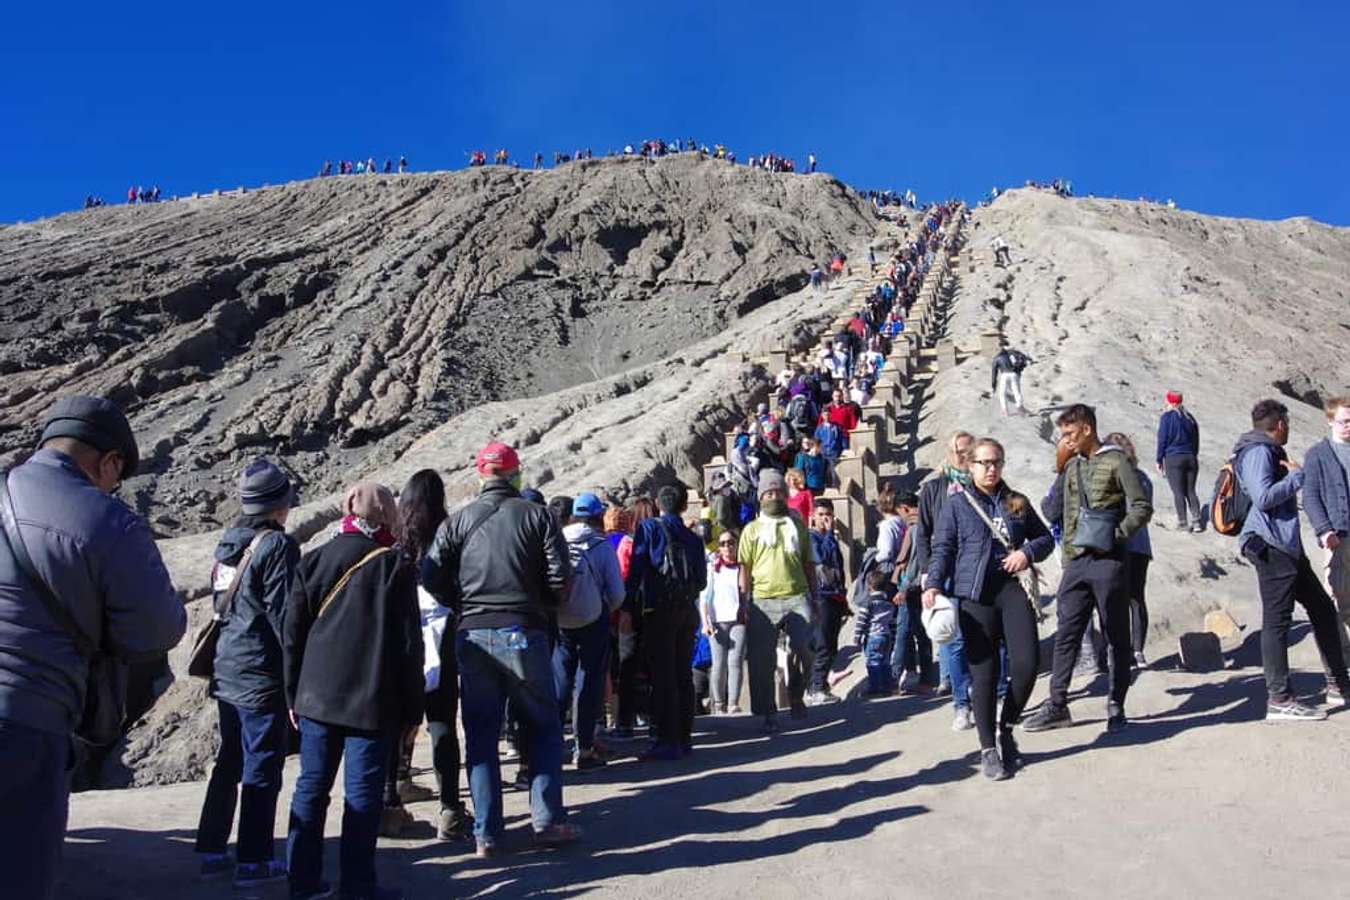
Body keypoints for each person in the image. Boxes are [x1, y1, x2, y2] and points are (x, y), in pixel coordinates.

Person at [0, 396, 186, 900]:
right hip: (26, 722)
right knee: (19, 872)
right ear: (108, 463)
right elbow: (158, 630)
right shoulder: (107, 521)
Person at [421, 442, 578, 855]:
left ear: (481, 475)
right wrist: (540, 606)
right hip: (525, 631)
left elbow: (430, 575)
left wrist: (462, 603)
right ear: (515, 475)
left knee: (480, 735)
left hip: (473, 635)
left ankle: (487, 833)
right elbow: (561, 578)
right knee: (543, 728)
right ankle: (547, 822)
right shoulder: (538, 516)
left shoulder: (458, 521)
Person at [283, 482, 424, 900]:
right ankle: (358, 887)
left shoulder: (314, 560)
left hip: (315, 698)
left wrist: (292, 694)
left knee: (311, 789)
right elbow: (408, 646)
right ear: (386, 518)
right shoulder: (394, 566)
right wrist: (413, 710)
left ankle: (302, 882)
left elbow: (292, 635)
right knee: (361, 798)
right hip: (372, 702)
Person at [195, 458, 300, 886]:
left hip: (228, 667)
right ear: (279, 504)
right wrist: (297, 674)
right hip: (260, 672)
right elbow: (284, 616)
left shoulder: (230, 542)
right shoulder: (276, 546)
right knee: (262, 765)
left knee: (229, 761)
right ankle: (254, 860)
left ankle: (212, 847)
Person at [925, 438, 1053, 779]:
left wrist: (1027, 553)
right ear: (970, 465)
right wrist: (933, 583)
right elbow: (943, 547)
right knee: (984, 674)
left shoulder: (1016, 502)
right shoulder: (956, 505)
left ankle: (1006, 726)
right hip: (974, 595)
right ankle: (988, 749)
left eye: (996, 461)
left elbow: (1045, 538)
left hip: (1012, 590)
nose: (991, 468)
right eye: (983, 462)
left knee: (1027, 663)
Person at [1023, 404, 1152, 734]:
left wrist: (1117, 535)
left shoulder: (1116, 461)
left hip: (1109, 561)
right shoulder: (1071, 467)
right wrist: (1060, 466)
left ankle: (1116, 705)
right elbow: (1051, 511)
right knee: (1067, 633)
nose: (1065, 439)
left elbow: (1141, 506)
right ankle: (1057, 705)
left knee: (1116, 635)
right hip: (1076, 563)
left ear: (1086, 430)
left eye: (1069, 433)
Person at [1232, 400, 1350, 719]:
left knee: (1323, 610)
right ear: (1280, 424)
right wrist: (1297, 477)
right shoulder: (1258, 452)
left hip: (1286, 548)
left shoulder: (1265, 450)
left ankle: (1338, 685)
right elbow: (1264, 496)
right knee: (1277, 621)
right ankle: (1280, 700)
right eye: (1288, 423)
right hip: (1270, 545)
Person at [396, 469, 470, 841]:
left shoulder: (397, 538)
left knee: (400, 719)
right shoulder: (449, 533)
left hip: (405, 638)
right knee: (442, 721)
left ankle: (397, 786)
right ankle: (451, 808)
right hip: (443, 635)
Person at [626, 485, 707, 760]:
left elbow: (637, 571)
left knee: (661, 677)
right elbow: (702, 581)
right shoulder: (693, 538)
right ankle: (684, 738)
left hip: (658, 610)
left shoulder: (649, 528)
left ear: (659, 504)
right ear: (684, 507)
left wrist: (628, 608)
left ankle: (665, 740)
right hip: (687, 610)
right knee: (683, 674)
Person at [739, 471, 818, 732]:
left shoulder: (797, 526)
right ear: (761, 497)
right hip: (762, 600)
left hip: (797, 595)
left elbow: (809, 563)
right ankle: (767, 711)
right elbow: (745, 570)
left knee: (804, 647)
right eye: (769, 493)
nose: (774, 497)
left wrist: (814, 596)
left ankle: (796, 694)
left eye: (778, 493)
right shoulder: (751, 530)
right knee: (762, 660)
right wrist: (743, 602)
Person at [554, 493, 625, 771]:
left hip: (560, 620)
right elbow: (617, 592)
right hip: (593, 620)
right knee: (588, 683)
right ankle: (584, 749)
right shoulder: (600, 545)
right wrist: (604, 607)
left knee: (559, 681)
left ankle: (552, 745)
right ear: (597, 516)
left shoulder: (558, 540)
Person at [913, 431, 976, 729]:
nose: (965, 456)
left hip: (975, 568)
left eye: (969, 451)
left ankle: (984, 691)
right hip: (945, 570)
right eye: (960, 451)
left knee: (980, 632)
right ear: (950, 453)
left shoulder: (980, 485)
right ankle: (962, 702)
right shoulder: (934, 488)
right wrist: (927, 570)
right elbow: (922, 532)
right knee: (953, 637)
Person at [1305, 396, 1350, 659]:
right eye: (1344, 421)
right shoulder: (1318, 455)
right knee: (1340, 596)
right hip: (1337, 536)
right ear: (1330, 420)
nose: (1349, 426)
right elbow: (1310, 496)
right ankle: (1342, 657)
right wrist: (1324, 529)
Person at [700, 531, 747, 715]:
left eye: (731, 543)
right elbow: (705, 597)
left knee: (735, 661)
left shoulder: (742, 567)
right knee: (719, 664)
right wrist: (706, 622)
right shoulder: (713, 568)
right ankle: (719, 703)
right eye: (723, 543)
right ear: (718, 547)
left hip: (737, 619)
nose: (727, 547)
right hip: (718, 621)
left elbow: (745, 593)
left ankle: (733, 702)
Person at [806, 501, 848, 703]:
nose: (825, 518)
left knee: (831, 644)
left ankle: (821, 685)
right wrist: (830, 534)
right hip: (821, 595)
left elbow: (838, 567)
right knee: (822, 644)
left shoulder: (831, 538)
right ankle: (815, 687)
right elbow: (822, 557)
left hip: (835, 595)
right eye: (821, 514)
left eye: (828, 514)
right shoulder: (811, 538)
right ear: (813, 516)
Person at [1155, 390, 1203, 532]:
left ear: (1169, 401)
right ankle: (1197, 521)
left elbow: (1162, 439)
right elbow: (1196, 440)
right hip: (1191, 457)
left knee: (1178, 491)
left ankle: (1183, 523)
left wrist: (1159, 458)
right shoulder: (1190, 418)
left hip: (1173, 458)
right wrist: (1193, 454)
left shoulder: (1167, 418)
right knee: (1191, 490)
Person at [855, 569, 897, 696]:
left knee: (873, 661)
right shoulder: (889, 604)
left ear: (869, 586)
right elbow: (893, 622)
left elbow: (862, 621)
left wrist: (857, 637)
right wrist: (893, 636)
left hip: (873, 636)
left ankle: (875, 686)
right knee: (885, 661)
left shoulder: (868, 603)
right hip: (887, 635)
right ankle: (887, 686)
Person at [990, 346, 1031, 416]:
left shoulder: (996, 358)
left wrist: (993, 386)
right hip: (1014, 374)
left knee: (1002, 394)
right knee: (1017, 392)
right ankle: (1019, 407)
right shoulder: (1011, 355)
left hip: (1004, 375)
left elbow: (994, 373)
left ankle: (1005, 410)